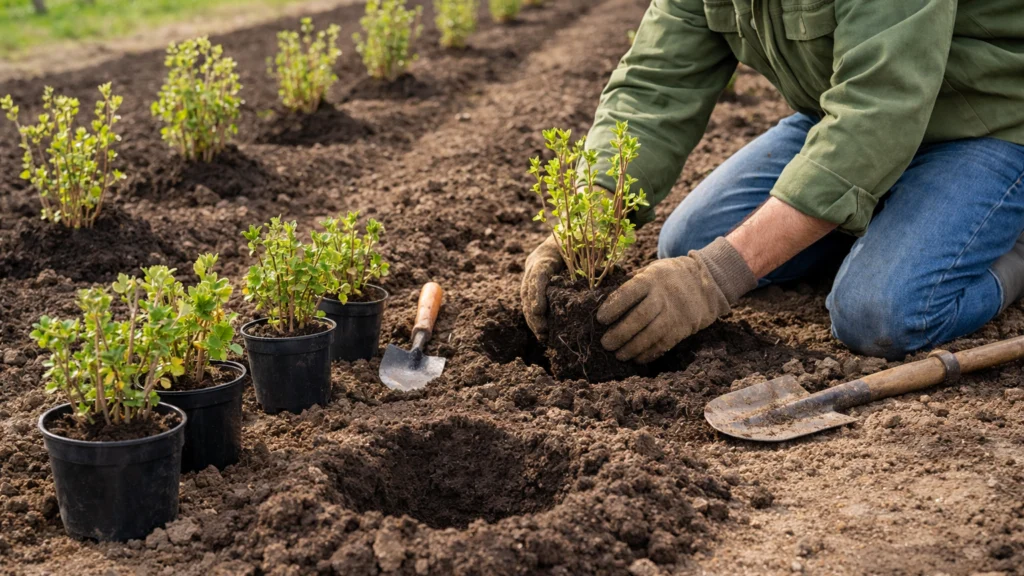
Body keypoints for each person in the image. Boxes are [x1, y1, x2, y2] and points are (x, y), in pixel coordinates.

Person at [521, 0, 1024, 362]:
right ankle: (877, 219)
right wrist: (584, 220)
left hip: (986, 123)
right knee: (688, 240)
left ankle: (1009, 244)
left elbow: (880, 110)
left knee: (879, 316)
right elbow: (654, 84)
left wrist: (713, 278)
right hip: (840, 116)